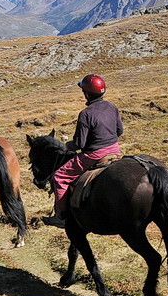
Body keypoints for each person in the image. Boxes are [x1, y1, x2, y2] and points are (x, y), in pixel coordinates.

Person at [43, 74, 123, 228]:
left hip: (95, 154)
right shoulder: (112, 106)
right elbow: (120, 131)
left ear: (86, 93)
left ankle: (61, 216)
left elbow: (80, 143)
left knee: (59, 177)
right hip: (115, 151)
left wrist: (67, 146)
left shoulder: (85, 114)